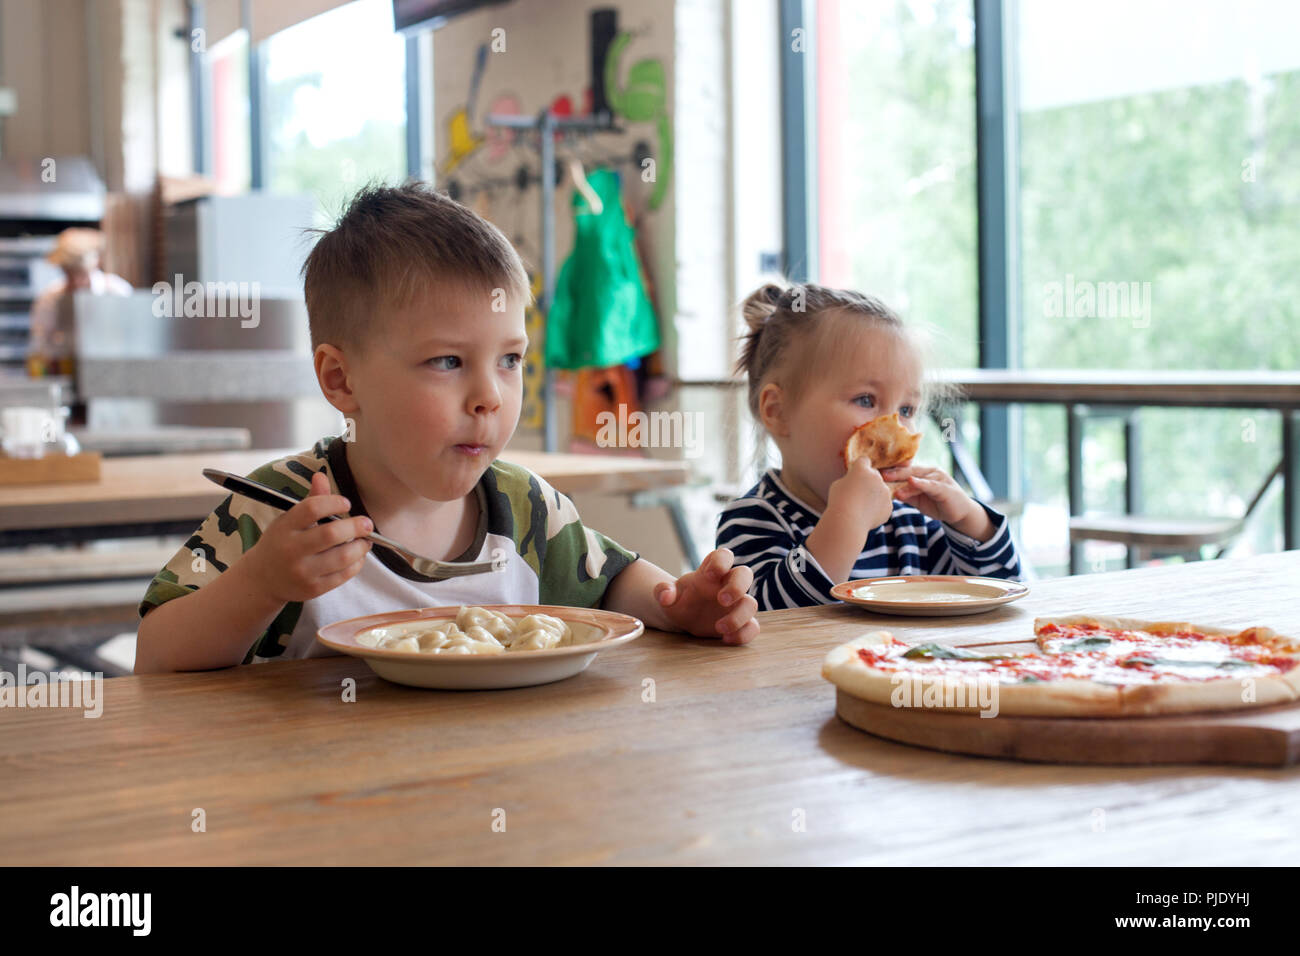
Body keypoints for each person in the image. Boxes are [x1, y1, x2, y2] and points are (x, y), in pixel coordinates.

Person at [134, 183, 758, 672]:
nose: (490, 396)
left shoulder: (523, 506)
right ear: (342, 381)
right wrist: (263, 582)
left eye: (509, 360)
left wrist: (683, 606)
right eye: (448, 362)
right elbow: (156, 657)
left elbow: (616, 582)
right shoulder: (281, 510)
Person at [716, 282, 1021, 611]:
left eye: (906, 410)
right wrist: (847, 520)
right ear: (778, 411)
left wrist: (970, 520)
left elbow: (1001, 592)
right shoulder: (753, 521)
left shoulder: (910, 522)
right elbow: (764, 620)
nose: (894, 430)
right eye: (865, 400)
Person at [28, 227, 132, 378]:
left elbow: (131, 341)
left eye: (81, 274)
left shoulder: (118, 292)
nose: (76, 282)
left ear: (96, 263)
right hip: (66, 377)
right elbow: (39, 346)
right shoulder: (50, 298)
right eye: (69, 274)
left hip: (114, 376)